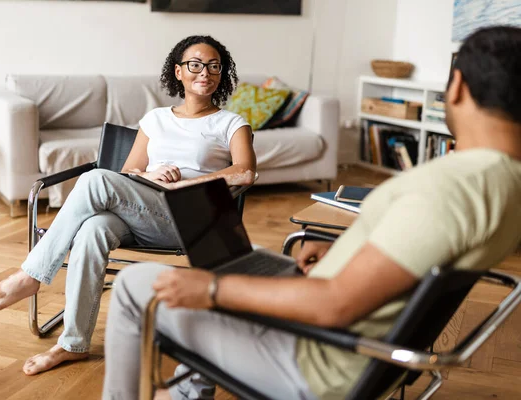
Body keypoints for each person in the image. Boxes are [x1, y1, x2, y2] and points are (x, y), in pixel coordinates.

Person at [102, 25, 521, 400]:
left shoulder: (450, 186)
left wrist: (210, 291)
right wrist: (344, 248)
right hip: (352, 327)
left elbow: (334, 306)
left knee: (138, 285)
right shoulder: (505, 180)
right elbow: (419, 250)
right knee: (234, 260)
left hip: (316, 361)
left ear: (459, 86)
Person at [0, 35, 256, 376]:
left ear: (221, 74)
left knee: (94, 180)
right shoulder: (156, 119)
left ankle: (30, 275)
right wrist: (152, 172)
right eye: (195, 64)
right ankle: (72, 343)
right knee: (93, 229)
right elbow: (129, 172)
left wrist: (182, 184)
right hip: (146, 209)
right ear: (178, 72)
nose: (204, 73)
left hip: (192, 220)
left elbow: (245, 172)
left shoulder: (231, 123)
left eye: (213, 66)